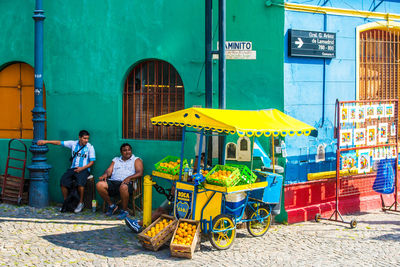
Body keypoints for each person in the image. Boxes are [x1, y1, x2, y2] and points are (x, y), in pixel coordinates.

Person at [37, 130, 96, 213]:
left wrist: (81, 169)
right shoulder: (73, 144)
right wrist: (46, 141)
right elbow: (59, 143)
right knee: (63, 181)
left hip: (84, 169)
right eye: (84, 138)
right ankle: (66, 202)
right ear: (79, 138)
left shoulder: (90, 147)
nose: (86, 140)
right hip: (73, 169)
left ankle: (81, 203)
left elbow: (92, 162)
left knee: (80, 183)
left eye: (87, 139)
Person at [96, 143, 143, 220]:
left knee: (123, 187)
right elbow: (109, 171)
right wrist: (105, 174)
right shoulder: (116, 160)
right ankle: (112, 206)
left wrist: (129, 178)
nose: (127, 152)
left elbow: (139, 173)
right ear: (121, 152)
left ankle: (124, 211)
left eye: (129, 150)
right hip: (114, 182)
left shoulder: (136, 160)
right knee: (99, 185)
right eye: (125, 150)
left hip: (128, 183)